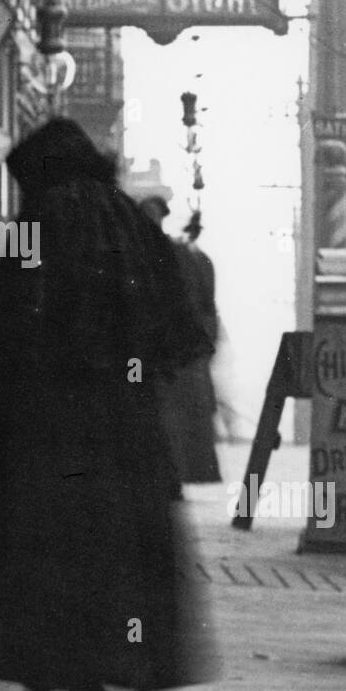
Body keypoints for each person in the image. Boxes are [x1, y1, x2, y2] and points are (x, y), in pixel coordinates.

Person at [0, 119, 217, 691]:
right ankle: (112, 661)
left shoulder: (44, 218)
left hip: (47, 419)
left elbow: (12, 313)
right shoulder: (129, 220)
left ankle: (47, 660)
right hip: (123, 417)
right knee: (119, 539)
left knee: (47, 536)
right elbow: (176, 321)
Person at [139, 198, 222, 485]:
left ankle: (186, 470)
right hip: (188, 343)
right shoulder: (191, 257)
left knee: (179, 410)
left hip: (177, 343)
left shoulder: (166, 254)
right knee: (189, 410)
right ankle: (193, 470)